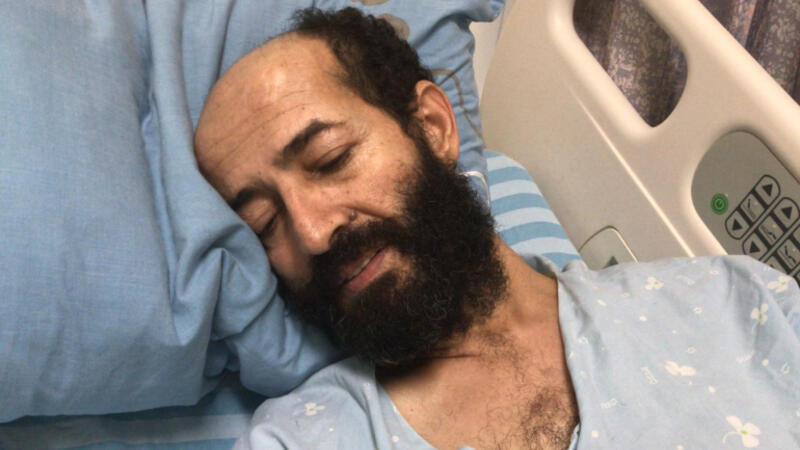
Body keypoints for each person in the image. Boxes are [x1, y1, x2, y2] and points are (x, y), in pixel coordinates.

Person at [194, 7, 800, 449]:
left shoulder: (738, 305)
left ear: (432, 127)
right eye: (264, 222)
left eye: (330, 159)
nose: (310, 233)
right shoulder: (298, 440)